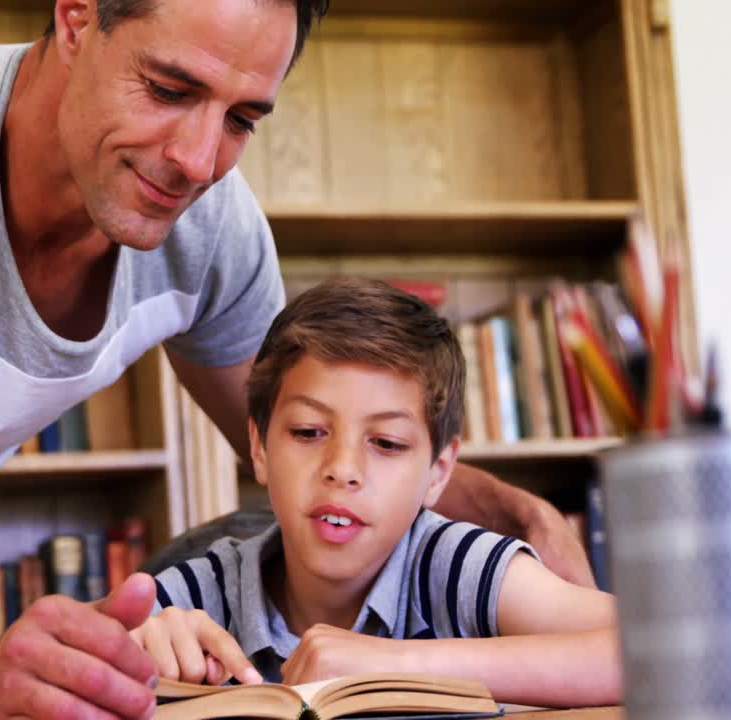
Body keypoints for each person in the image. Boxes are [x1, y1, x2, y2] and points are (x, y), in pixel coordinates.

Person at [0, 1, 590, 718]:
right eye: (170, 90)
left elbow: (314, 432)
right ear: (76, 15)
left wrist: (511, 510)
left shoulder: (208, 226)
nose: (199, 160)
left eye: (243, 117)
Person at [136, 279, 621, 708]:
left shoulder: (456, 567)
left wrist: (394, 665)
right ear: (259, 448)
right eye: (307, 432)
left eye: (386, 443)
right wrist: (137, 653)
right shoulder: (199, 596)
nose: (342, 470)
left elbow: (646, 647)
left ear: (438, 473)